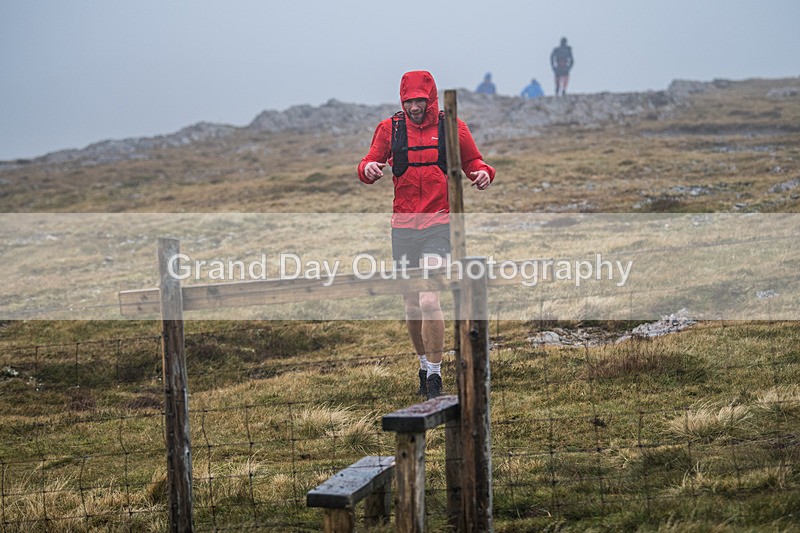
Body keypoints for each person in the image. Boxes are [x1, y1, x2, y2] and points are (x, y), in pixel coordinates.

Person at [358, 70, 496, 400]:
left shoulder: (452, 127)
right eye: (408, 101)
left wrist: (482, 173)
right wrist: (368, 170)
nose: (414, 107)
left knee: (429, 297)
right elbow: (366, 164)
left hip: (439, 224)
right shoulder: (389, 128)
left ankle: (435, 376)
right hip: (403, 229)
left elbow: (474, 160)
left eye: (419, 101)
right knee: (411, 303)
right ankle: (423, 365)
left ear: (430, 98)